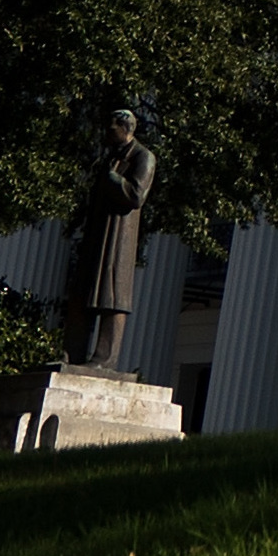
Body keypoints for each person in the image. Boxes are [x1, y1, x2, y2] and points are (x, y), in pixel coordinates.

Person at [66, 106, 161, 369]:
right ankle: (72, 353)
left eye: (112, 129)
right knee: (81, 294)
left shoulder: (144, 157)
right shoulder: (107, 157)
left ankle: (104, 359)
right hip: (98, 233)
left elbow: (136, 195)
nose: (107, 134)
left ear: (126, 129)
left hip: (120, 236)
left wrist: (112, 179)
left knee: (113, 297)